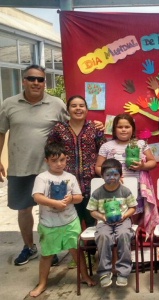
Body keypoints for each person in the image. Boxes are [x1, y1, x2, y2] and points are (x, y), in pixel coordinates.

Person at [0, 65, 68, 266]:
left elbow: (71, 126)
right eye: (31, 79)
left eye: (40, 79)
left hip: (49, 170)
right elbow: (1, 132)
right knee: (23, 210)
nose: (36, 83)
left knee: (49, 210)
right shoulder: (9, 104)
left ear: (44, 82)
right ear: (23, 81)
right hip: (19, 167)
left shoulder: (56, 104)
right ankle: (29, 247)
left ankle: (50, 248)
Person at [30, 142, 96, 297]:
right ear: (46, 160)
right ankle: (42, 284)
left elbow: (79, 198)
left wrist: (70, 198)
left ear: (66, 159)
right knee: (46, 255)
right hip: (49, 224)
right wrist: (54, 203)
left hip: (70, 222)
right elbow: (37, 196)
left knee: (76, 252)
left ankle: (85, 277)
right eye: (54, 160)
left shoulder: (70, 177)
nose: (59, 164)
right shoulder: (42, 178)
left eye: (62, 160)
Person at [47, 95, 106, 268]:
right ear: (68, 109)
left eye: (81, 105)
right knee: (71, 222)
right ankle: (77, 256)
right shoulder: (59, 129)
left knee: (90, 221)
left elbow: (104, 150)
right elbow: (50, 149)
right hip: (66, 185)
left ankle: (90, 254)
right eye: (74, 106)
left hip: (91, 183)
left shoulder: (95, 129)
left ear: (87, 109)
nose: (78, 109)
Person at [87, 158, 137, 287]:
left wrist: (125, 215)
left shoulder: (125, 191)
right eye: (108, 174)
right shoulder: (97, 193)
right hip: (104, 222)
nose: (112, 178)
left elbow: (133, 208)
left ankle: (123, 272)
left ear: (120, 175)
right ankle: (104, 271)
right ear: (102, 176)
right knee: (103, 236)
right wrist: (102, 217)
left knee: (124, 235)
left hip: (123, 221)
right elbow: (92, 210)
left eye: (115, 174)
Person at [96, 113, 156, 215]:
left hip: (136, 189)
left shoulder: (141, 144)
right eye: (120, 127)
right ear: (114, 129)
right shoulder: (106, 146)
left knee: (136, 216)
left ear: (132, 129)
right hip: (114, 190)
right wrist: (109, 176)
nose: (123, 130)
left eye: (127, 127)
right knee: (116, 214)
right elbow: (98, 167)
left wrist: (143, 166)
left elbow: (153, 162)